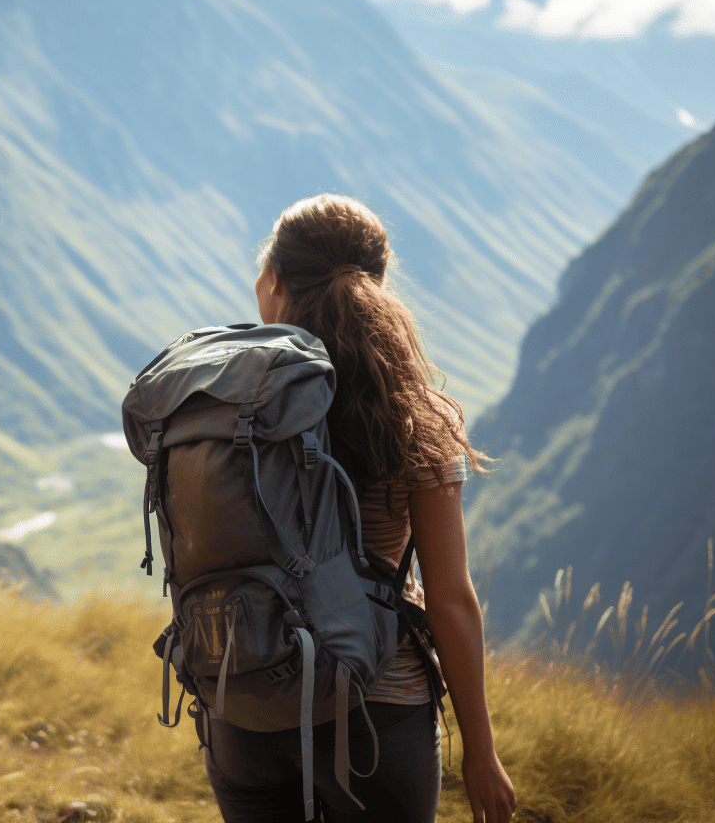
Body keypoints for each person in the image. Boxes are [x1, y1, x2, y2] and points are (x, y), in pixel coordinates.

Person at [202, 195, 516, 823]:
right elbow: (450, 597)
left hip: (246, 708)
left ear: (272, 283)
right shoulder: (415, 417)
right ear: (377, 288)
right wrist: (480, 751)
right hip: (377, 715)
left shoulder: (226, 405)